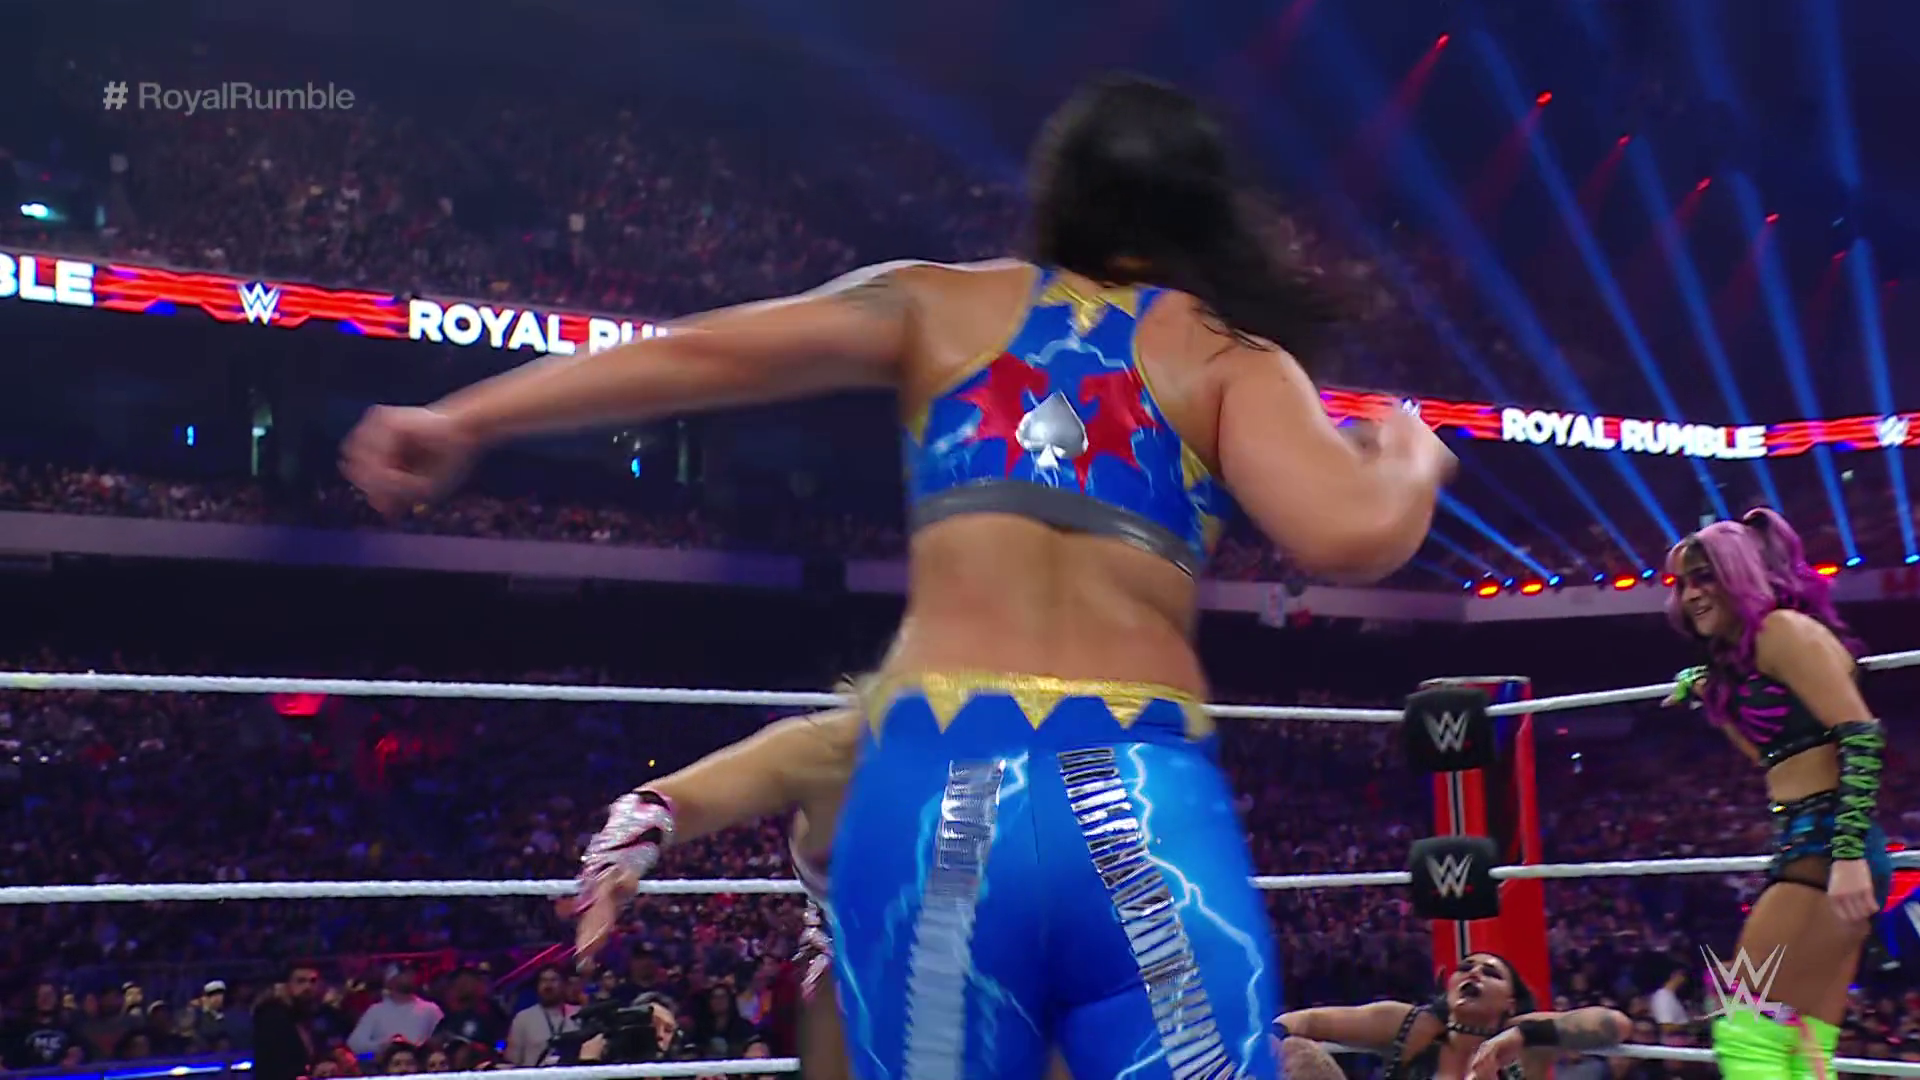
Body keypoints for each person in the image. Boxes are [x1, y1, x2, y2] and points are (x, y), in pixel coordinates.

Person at [343, 73, 1454, 1079]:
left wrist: (467, 416)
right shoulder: (1228, 357)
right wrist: (1410, 458)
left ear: (1058, 195)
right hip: (1136, 804)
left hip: (936, 799)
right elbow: (1351, 537)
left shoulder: (937, 301)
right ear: (1208, 212)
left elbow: (703, 351)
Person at [1663, 508, 1892, 1079]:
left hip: (1828, 844)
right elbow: (1773, 758)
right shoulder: (1751, 654)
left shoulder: (1782, 630)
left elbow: (1862, 735)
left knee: (1745, 1033)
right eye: (1684, 583)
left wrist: (1846, 857)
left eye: (1704, 577)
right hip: (1810, 841)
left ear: (1738, 573)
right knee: (1803, 1048)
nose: (1691, 595)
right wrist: (1710, 690)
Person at [1274, 952, 1630, 1079]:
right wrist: (1269, 1039)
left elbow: (1614, 1024)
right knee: (1296, 1052)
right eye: (1465, 968)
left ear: (1510, 1002)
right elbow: (1308, 1021)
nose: (1474, 973)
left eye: (1490, 973)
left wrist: (1522, 1035)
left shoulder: (1524, 1038)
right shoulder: (1409, 1024)